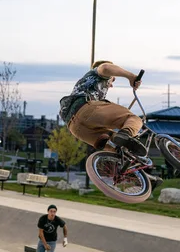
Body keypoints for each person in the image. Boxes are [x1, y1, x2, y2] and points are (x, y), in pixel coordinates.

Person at [59, 61, 162, 189]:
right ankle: (126, 133)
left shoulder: (87, 87)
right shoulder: (97, 73)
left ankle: (140, 177)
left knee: (117, 148)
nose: (112, 84)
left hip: (75, 128)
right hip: (85, 109)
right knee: (133, 119)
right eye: (113, 80)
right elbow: (106, 68)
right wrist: (131, 77)